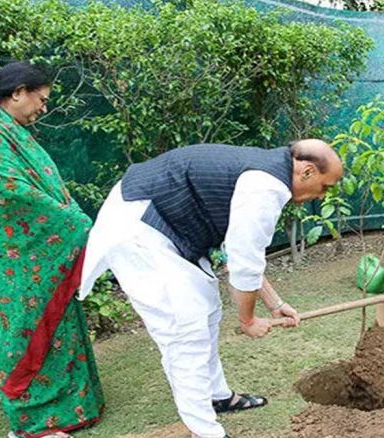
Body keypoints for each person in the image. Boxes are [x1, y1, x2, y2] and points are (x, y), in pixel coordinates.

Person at [79, 140, 344, 438]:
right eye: (325, 186)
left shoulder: (269, 173)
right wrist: (247, 321)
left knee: (207, 311)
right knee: (184, 332)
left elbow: (243, 254)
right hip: (139, 230)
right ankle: (205, 431)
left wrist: (274, 303)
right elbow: (243, 263)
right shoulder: (267, 187)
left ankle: (217, 396)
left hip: (169, 228)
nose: (321, 195)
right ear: (307, 171)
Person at [0, 61, 104, 438]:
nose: (43, 108)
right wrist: (72, 222)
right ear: (18, 92)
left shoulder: (11, 128)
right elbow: (7, 192)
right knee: (24, 326)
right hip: (15, 254)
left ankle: (69, 408)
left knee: (59, 324)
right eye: (40, 99)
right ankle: (32, 419)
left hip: (37, 250)